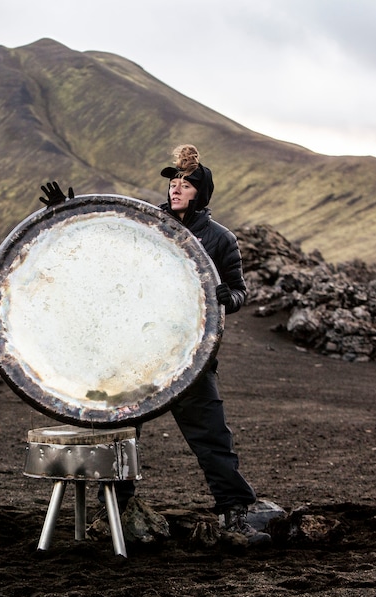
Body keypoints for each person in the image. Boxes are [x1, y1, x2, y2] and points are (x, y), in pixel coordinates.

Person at [38, 144, 269, 545]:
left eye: (185, 184)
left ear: (202, 193)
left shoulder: (219, 239)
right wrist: (68, 214)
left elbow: (239, 292)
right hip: (137, 357)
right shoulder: (148, 226)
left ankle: (234, 512)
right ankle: (117, 511)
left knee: (213, 438)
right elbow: (103, 248)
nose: (176, 189)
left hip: (189, 361)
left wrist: (224, 297)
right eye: (173, 182)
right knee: (121, 436)